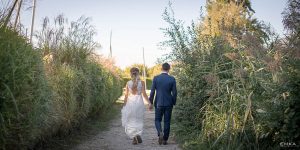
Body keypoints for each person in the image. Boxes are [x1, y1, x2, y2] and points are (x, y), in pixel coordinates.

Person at [121, 67, 153, 145]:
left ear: (130, 73)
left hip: (130, 103)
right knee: (138, 119)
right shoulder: (142, 82)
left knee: (130, 119)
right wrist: (149, 103)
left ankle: (134, 136)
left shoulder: (128, 83)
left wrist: (124, 105)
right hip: (139, 103)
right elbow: (144, 94)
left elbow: (126, 95)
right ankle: (137, 134)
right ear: (138, 73)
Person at [149, 63, 177, 145]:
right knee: (167, 121)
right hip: (169, 103)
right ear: (169, 69)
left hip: (158, 103)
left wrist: (150, 101)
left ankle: (159, 132)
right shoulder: (172, 79)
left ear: (161, 68)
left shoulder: (156, 78)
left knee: (157, 120)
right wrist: (174, 102)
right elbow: (175, 93)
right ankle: (165, 139)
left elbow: (152, 91)